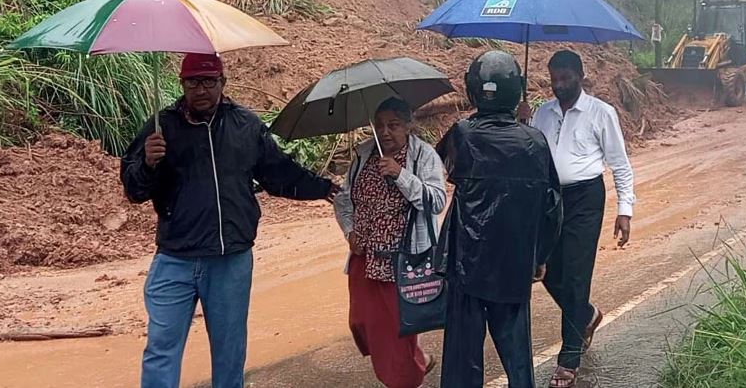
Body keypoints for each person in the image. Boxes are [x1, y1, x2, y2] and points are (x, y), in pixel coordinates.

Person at [121, 53, 339, 388]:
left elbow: (278, 173)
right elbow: (134, 190)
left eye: (209, 81)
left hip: (230, 260)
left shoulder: (245, 125)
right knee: (161, 349)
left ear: (223, 83)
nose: (201, 89)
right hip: (175, 259)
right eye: (193, 82)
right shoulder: (160, 128)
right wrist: (148, 164)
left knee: (229, 352)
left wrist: (324, 188)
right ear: (182, 85)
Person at [436, 50, 563, 388]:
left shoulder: (461, 134)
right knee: (518, 358)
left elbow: (443, 163)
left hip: (467, 264)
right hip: (514, 263)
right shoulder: (535, 141)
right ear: (517, 91)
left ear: (471, 90)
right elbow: (552, 207)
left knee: (463, 362)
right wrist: (540, 257)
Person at [519, 50, 636, 388]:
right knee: (545, 270)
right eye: (554, 78)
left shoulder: (601, 113)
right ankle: (585, 314)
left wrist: (624, 210)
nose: (559, 84)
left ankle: (568, 360)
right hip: (550, 199)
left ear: (580, 76)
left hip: (586, 198)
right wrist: (523, 124)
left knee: (575, 275)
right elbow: (530, 154)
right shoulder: (542, 113)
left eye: (565, 77)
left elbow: (620, 163)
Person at [332, 97, 447, 388]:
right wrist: (349, 232)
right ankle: (417, 358)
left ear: (409, 126)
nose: (385, 132)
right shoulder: (363, 156)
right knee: (361, 324)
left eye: (393, 125)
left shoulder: (423, 156)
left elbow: (436, 201)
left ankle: (406, 377)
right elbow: (344, 199)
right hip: (365, 257)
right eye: (380, 126)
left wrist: (401, 175)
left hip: (402, 262)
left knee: (395, 334)